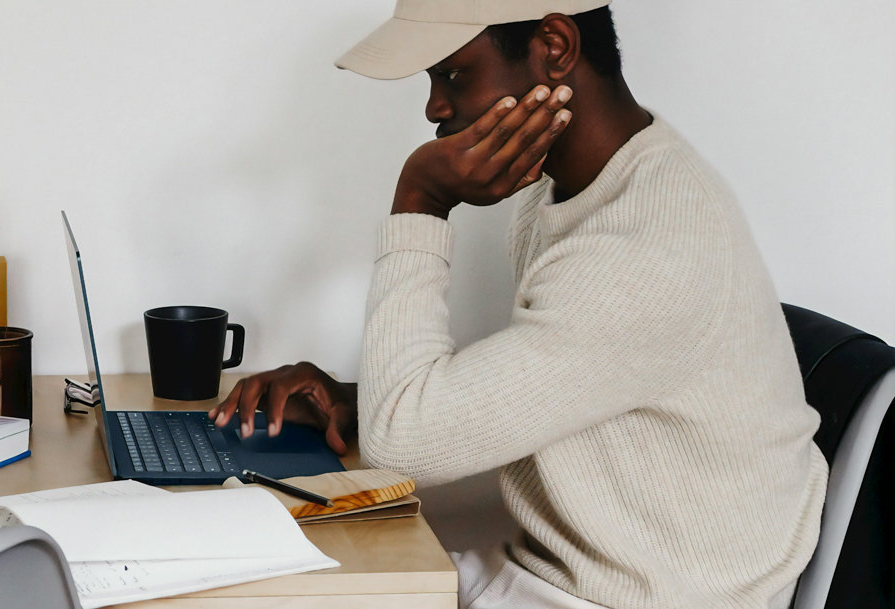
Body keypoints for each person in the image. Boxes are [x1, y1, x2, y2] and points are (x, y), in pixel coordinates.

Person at [209, 1, 829, 607]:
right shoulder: (572, 189)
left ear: (555, 47)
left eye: (452, 73)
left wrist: (420, 201)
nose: (434, 106)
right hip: (571, 564)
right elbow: (541, 390)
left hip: (647, 594)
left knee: (268, 585)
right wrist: (361, 403)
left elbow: (408, 446)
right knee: (263, 568)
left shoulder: (647, 247)